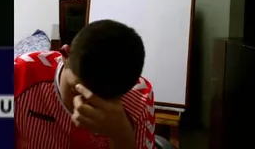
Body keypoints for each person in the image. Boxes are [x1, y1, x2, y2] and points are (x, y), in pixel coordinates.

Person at [15, 19, 155, 149]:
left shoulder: (140, 98)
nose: (84, 108)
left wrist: (120, 135)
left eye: (105, 101)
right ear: (65, 55)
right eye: (77, 91)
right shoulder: (20, 74)